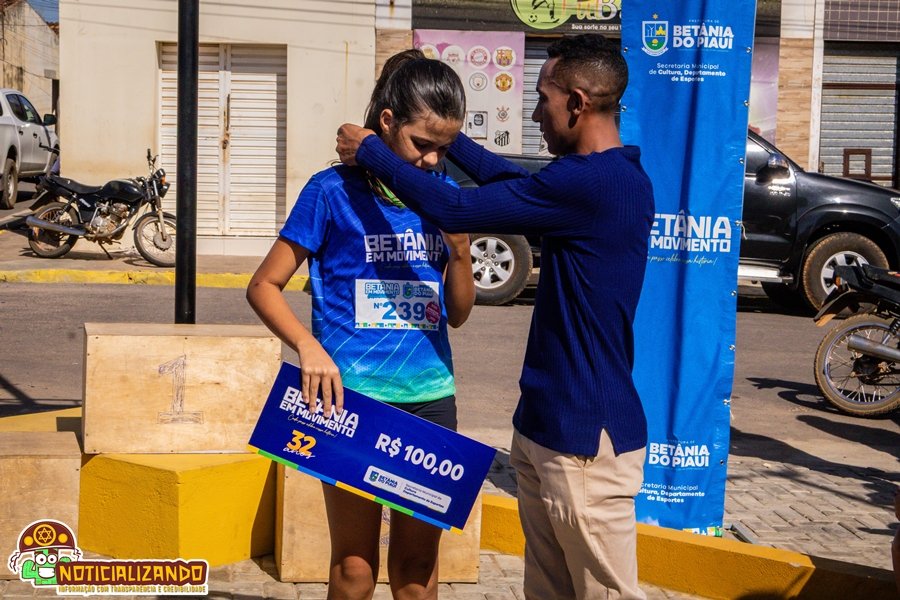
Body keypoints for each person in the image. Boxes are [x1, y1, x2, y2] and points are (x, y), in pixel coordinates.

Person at [336, 34, 654, 600]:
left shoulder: (601, 183)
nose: (535, 113)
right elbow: (504, 179)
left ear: (577, 104)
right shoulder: (588, 179)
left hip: (585, 440)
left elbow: (455, 205)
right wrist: (440, 131)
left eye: (543, 99)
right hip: (545, 431)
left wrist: (374, 151)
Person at [247, 50, 474, 600]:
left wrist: (461, 253)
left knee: (417, 567)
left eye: (443, 149)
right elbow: (263, 286)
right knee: (353, 565)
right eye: (422, 144)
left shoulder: (447, 197)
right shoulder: (330, 192)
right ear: (387, 122)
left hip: (430, 400)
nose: (431, 160)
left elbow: (460, 315)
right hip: (349, 401)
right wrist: (307, 346)